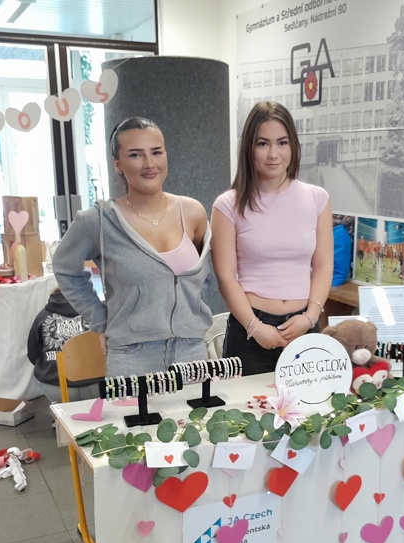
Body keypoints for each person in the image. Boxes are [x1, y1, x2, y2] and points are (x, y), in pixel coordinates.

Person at [53, 117, 213, 377]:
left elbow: (204, 279)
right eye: (135, 155)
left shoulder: (193, 212)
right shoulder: (98, 221)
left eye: (156, 152)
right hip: (132, 356)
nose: (149, 164)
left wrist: (193, 320)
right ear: (117, 163)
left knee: (199, 408)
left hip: (191, 352)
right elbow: (65, 270)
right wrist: (100, 320)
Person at [211, 101, 333, 376]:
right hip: (251, 330)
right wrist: (255, 327)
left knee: (308, 404)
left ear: (293, 146)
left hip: (304, 326)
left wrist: (310, 318)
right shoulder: (228, 204)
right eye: (263, 143)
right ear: (249, 148)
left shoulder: (317, 198)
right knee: (244, 405)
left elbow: (323, 265)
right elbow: (225, 277)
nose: (273, 154)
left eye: (282, 143)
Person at [27, 286, 98, 402]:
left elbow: (33, 354)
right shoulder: (99, 313)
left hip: (57, 385)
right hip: (96, 383)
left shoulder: (42, 316)